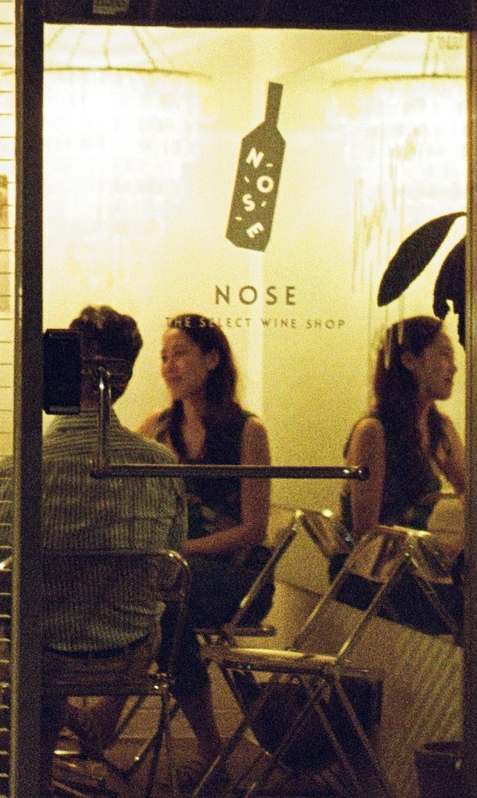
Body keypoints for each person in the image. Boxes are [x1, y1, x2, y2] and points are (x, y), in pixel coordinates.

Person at [0, 306, 185, 792]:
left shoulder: (18, 468)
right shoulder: (160, 463)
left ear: (61, 372)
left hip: (41, 654)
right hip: (127, 654)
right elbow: (170, 577)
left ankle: (21, 770)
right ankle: (59, 747)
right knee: (50, 634)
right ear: (123, 379)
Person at [138, 312, 273, 773]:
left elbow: (254, 530)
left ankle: (111, 716)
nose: (168, 366)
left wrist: (181, 549)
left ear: (212, 359)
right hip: (176, 574)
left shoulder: (248, 430)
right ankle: (210, 747)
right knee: (160, 603)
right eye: (163, 356)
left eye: (179, 354)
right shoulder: (155, 428)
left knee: (163, 599)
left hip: (241, 576)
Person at [342, 315, 466, 540]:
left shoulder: (440, 428)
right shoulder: (373, 431)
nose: (454, 368)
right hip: (378, 560)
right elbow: (366, 534)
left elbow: (471, 492)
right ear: (410, 361)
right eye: (444, 354)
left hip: (417, 556)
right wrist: (441, 549)